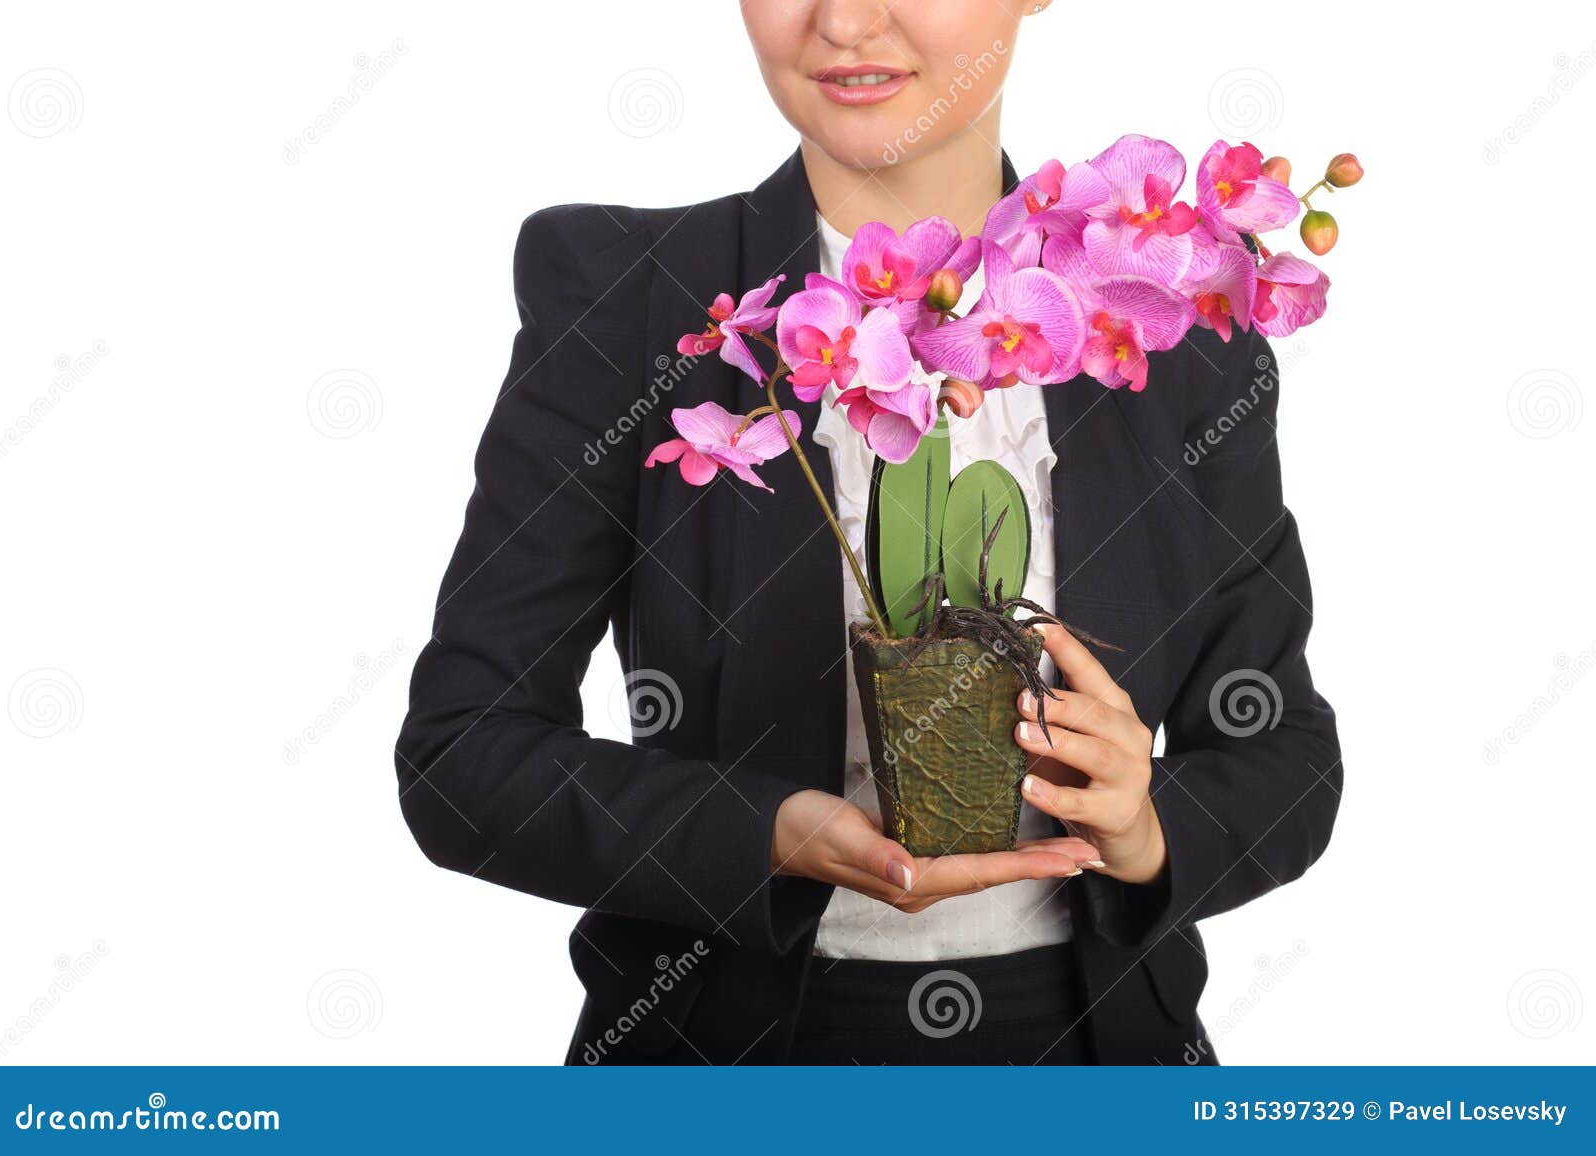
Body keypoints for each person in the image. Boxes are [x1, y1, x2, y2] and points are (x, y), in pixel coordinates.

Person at [395, 0, 1341, 1065]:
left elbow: (1284, 757)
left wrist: (1145, 824)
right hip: (723, 1059)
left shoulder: (1168, 330)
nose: (842, 20)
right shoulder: (633, 300)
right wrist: (762, 834)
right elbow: (465, 753)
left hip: (1099, 1056)